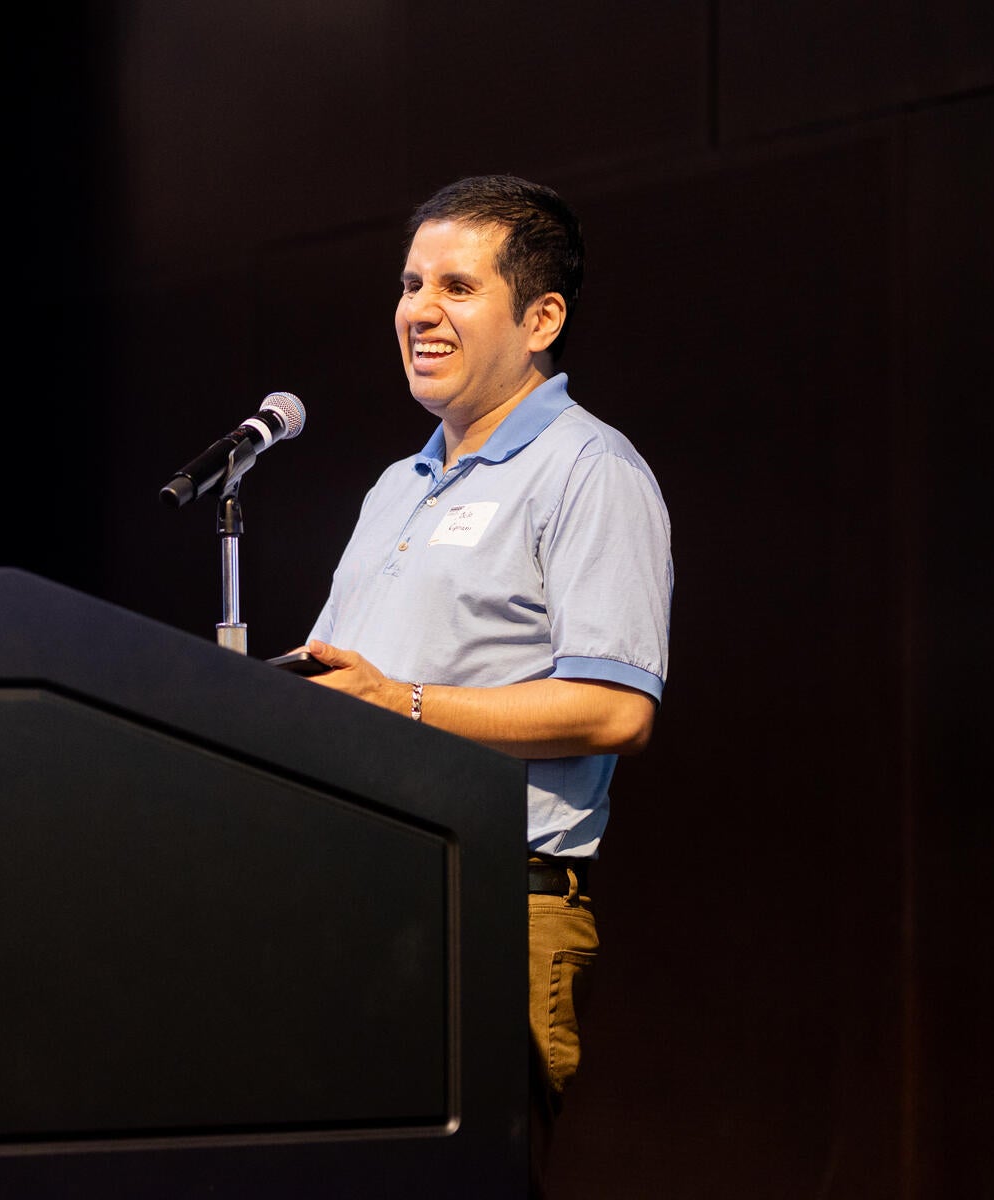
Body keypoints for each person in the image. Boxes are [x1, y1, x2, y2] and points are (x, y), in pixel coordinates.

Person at [294, 174, 671, 1195]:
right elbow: (338, 683)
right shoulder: (393, 487)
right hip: (349, 907)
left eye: (457, 287)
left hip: (492, 910)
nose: (418, 310)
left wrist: (405, 704)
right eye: (412, 284)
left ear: (541, 317)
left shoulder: (590, 471)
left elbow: (615, 708)